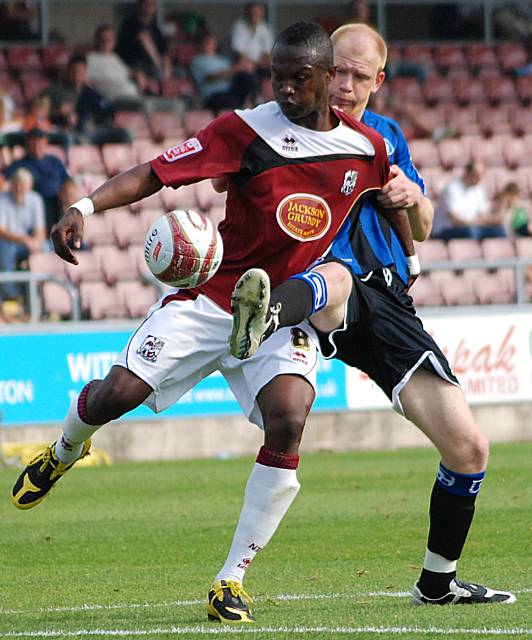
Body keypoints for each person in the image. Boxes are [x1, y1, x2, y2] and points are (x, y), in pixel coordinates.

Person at [11, 22, 400, 624]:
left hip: (278, 310)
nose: (287, 90)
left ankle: (231, 580)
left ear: (326, 80)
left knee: (289, 419)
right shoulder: (245, 131)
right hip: (211, 299)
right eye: (277, 77)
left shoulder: (367, 150)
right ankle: (63, 452)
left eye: (300, 79)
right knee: (117, 395)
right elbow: (154, 172)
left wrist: (414, 256)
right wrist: (83, 206)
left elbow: (388, 200)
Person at [228, 22, 515, 610]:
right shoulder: (278, 128)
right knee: (333, 280)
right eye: (339, 72)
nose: (347, 86)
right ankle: (263, 313)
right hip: (324, 287)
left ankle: (437, 583)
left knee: (468, 449)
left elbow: (427, 225)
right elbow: (224, 173)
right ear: (320, 70)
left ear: (379, 81)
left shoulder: (385, 136)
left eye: (361, 76)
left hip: (386, 303)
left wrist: (412, 195)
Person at [44, 54, 132, 147]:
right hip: (74, 133)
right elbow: (36, 107)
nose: (77, 74)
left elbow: (107, 108)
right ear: (68, 71)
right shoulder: (56, 89)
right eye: (74, 71)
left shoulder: (90, 92)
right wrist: (58, 111)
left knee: (125, 134)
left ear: (85, 72)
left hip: (95, 131)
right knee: (81, 140)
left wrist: (112, 118)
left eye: (81, 71)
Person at [3, 127, 71, 235]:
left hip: (57, 203)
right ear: (27, 143)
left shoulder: (55, 161)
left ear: (46, 142)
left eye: (40, 140)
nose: (37, 144)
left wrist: (68, 195)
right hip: (32, 208)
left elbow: (68, 181)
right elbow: (4, 180)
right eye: (33, 141)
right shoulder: (19, 164)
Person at [0, 168, 46, 303]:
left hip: (27, 242)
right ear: (12, 184)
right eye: (17, 183)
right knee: (5, 250)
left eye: (23, 184)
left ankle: (43, 295)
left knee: (48, 248)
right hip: (8, 242)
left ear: (29, 186)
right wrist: (25, 240)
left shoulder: (35, 199)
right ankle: (10, 295)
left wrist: (37, 243)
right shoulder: (2, 199)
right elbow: (2, 231)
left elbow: (40, 229)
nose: (20, 188)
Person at [432, 161, 507, 240]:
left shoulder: (478, 189)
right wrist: (478, 222)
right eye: (477, 175)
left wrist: (493, 219)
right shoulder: (451, 189)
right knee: (471, 232)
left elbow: (482, 213)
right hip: (448, 229)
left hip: (474, 227)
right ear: (468, 173)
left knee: (500, 231)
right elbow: (455, 220)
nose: (479, 179)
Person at [190, 30, 258, 115]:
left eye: (211, 41)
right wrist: (236, 69)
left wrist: (245, 66)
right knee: (232, 101)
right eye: (206, 41)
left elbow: (237, 72)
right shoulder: (198, 60)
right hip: (214, 96)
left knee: (246, 77)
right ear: (200, 44)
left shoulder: (223, 60)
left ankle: (252, 100)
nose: (209, 44)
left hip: (231, 92)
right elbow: (211, 77)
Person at [86, 24, 146, 110]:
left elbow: (127, 72)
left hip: (134, 98)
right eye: (102, 40)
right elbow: (84, 82)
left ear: (114, 42)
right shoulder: (89, 59)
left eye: (109, 40)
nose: (105, 43)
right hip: (113, 102)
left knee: (166, 106)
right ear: (96, 41)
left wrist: (138, 74)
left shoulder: (115, 58)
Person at [116, 0, 172, 89]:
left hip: (150, 65)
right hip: (132, 64)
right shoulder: (131, 22)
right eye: (146, 4)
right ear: (139, 5)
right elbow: (144, 40)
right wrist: (159, 65)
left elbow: (164, 50)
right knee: (154, 75)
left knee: (178, 74)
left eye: (152, 4)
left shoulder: (154, 26)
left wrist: (167, 69)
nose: (149, 7)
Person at [230, 3, 273, 79]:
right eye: (252, 13)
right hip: (244, 65)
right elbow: (239, 54)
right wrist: (256, 64)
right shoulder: (239, 26)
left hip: (260, 65)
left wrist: (265, 62)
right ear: (246, 13)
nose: (254, 16)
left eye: (257, 13)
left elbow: (267, 53)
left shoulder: (265, 28)